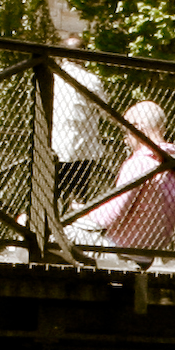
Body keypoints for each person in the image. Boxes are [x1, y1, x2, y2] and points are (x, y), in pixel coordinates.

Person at [71, 101, 175, 257]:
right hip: (148, 255)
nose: (125, 139)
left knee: (49, 232)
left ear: (138, 128)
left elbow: (109, 217)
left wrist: (82, 212)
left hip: (119, 251)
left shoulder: (139, 163)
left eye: (126, 131)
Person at [50, 42, 106, 221]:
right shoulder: (91, 80)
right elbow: (105, 111)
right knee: (78, 199)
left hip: (53, 147)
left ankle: (44, 233)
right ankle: (71, 235)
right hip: (81, 149)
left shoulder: (52, 77)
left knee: (49, 194)